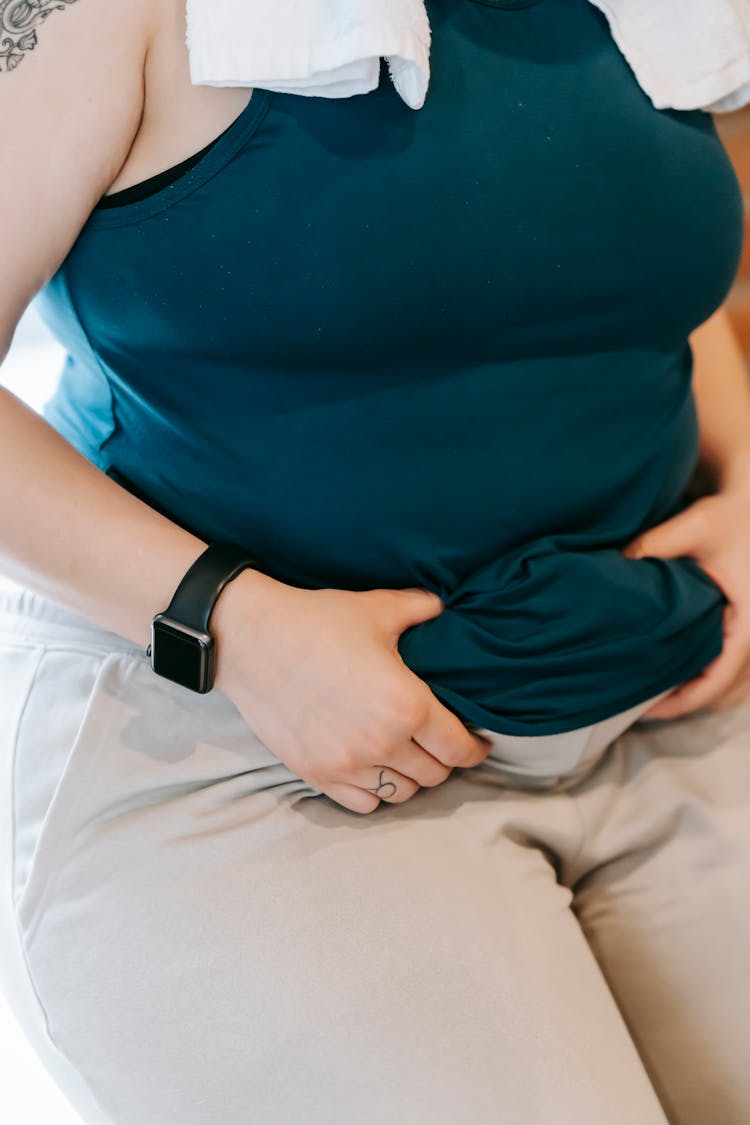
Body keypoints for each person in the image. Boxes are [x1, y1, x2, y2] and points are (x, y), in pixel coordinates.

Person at [1, 0, 750, 1122]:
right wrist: (231, 619)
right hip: (250, 755)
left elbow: (631, 289)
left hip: (659, 699)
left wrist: (746, 495)